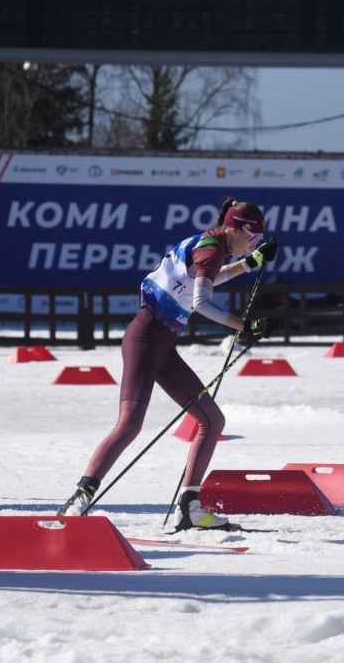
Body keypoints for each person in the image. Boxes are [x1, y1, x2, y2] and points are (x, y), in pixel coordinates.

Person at [57, 198, 281, 531]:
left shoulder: (209, 244)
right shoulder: (211, 249)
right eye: (253, 239)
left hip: (163, 348)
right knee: (130, 424)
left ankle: (190, 507)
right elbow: (201, 303)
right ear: (235, 229)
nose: (255, 244)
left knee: (212, 420)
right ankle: (78, 498)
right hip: (145, 341)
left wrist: (249, 263)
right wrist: (245, 326)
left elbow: (204, 281)